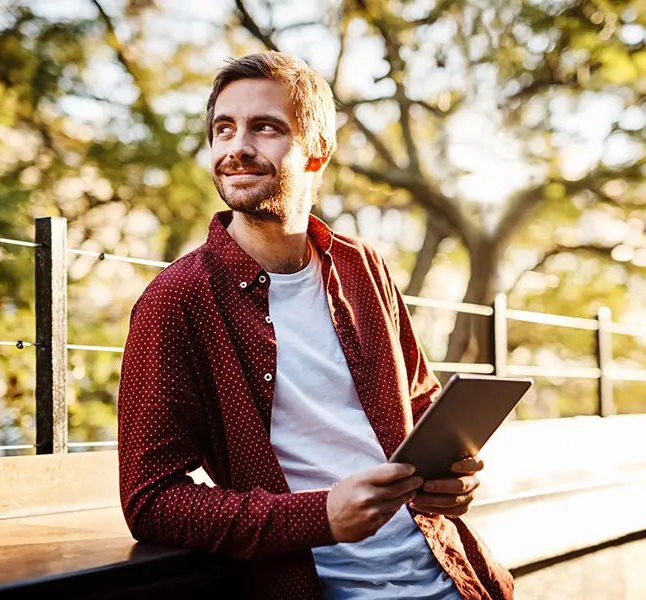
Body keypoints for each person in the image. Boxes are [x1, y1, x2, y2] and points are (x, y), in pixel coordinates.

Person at [117, 51, 513, 600]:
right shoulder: (177, 300)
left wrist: (456, 475)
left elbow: (421, 406)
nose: (237, 148)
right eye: (223, 129)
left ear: (317, 151)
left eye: (266, 128)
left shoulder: (364, 268)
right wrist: (319, 515)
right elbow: (151, 501)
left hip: (452, 575)